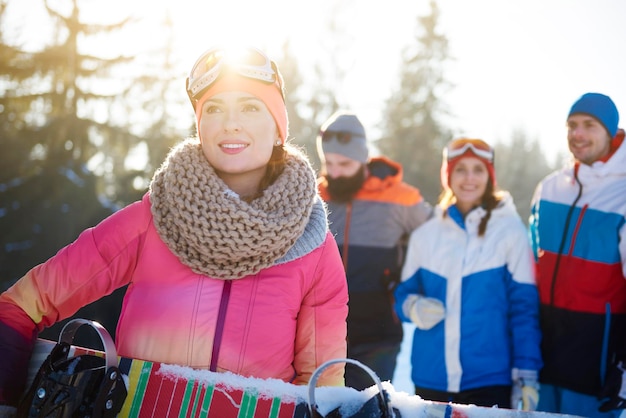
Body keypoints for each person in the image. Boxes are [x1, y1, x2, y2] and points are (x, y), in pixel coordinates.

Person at [0, 45, 349, 410]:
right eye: (214, 108)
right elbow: (23, 305)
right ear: (200, 127)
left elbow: (321, 388)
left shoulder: (314, 249)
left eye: (250, 106)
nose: (231, 122)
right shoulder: (151, 220)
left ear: (278, 128)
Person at [394, 138, 543, 409]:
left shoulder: (509, 231)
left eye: (478, 169)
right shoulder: (426, 235)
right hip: (431, 378)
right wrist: (413, 306)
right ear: (448, 175)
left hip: (488, 380)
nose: (469, 178)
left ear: (490, 176)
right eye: (461, 169)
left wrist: (527, 373)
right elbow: (403, 294)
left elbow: (524, 309)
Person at [316, 111, 433, 390]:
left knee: (369, 407)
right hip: (323, 331)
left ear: (362, 158)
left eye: (344, 163)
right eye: (328, 163)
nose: (335, 172)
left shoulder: (400, 197)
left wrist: (415, 291)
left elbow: (440, 238)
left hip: (378, 332)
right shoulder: (315, 197)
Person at [530, 92, 626, 417]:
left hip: (596, 367)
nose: (578, 134)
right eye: (572, 125)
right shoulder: (550, 188)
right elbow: (532, 265)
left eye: (589, 125)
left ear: (612, 132)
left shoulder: (623, 194)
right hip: (542, 361)